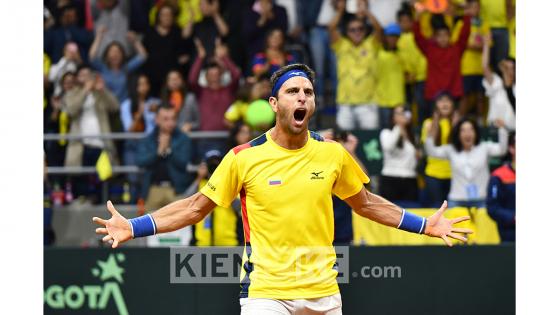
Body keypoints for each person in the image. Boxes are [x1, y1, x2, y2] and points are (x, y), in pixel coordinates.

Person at [94, 63, 472, 315]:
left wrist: (425, 225)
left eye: (308, 91)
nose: (302, 97)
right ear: (275, 103)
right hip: (265, 293)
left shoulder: (333, 154)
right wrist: (135, 226)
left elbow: (367, 203)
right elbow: (195, 207)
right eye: (293, 92)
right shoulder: (243, 157)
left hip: (324, 291)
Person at [64, 65, 120, 202]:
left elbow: (115, 107)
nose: (85, 77)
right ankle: (82, 201)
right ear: (78, 78)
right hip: (81, 144)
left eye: (87, 74)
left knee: (103, 176)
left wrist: (103, 91)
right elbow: (71, 109)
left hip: (101, 143)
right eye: (82, 74)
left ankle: (101, 201)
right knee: (81, 178)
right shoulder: (73, 92)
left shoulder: (99, 93)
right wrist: (85, 91)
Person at [424, 117, 508, 209]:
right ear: (458, 134)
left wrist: (502, 129)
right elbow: (431, 151)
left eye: (471, 129)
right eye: (463, 130)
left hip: (482, 199)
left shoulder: (484, 147)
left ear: (476, 132)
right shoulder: (451, 149)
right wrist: (429, 134)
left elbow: (502, 150)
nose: (467, 133)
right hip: (457, 200)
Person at [329, 0, 380, 130]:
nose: (357, 32)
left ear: (365, 30)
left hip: (368, 104)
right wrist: (341, 10)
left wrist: (366, 12)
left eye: (360, 29)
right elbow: (331, 28)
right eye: (352, 30)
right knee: (345, 145)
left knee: (370, 144)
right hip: (345, 104)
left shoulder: (371, 44)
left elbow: (379, 29)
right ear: (347, 32)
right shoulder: (342, 45)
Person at [413, 3, 472, 112]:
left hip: (453, 92)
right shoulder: (429, 49)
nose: (443, 38)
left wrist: (467, 15)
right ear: (435, 37)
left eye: (445, 35)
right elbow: (418, 37)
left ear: (450, 36)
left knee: (453, 125)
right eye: (439, 36)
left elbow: (465, 34)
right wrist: (417, 18)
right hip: (434, 94)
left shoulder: (457, 48)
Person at [136, 104, 193, 212]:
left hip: (176, 190)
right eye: (166, 119)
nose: (170, 123)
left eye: (173, 119)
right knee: (150, 227)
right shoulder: (148, 139)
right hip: (153, 190)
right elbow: (140, 161)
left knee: (180, 227)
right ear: (157, 119)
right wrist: (158, 152)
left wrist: (168, 150)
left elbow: (184, 163)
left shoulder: (183, 139)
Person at [120, 74, 161, 203]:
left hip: (149, 144)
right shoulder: (126, 105)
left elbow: (157, 126)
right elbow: (129, 129)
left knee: (147, 177)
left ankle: (144, 208)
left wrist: (156, 112)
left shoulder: (155, 103)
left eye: (146, 84)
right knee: (133, 178)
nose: (143, 87)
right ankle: (131, 209)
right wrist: (140, 114)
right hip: (132, 144)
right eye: (140, 84)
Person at [189, 38, 241, 133]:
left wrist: (223, 57)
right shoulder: (201, 91)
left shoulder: (229, 90)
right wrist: (200, 58)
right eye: (211, 75)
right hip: (204, 136)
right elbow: (192, 80)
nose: (214, 77)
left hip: (226, 135)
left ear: (221, 75)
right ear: (206, 76)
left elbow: (236, 75)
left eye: (216, 74)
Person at [88, 26, 148, 103]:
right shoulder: (102, 68)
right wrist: (99, 37)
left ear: (122, 55)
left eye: (118, 52)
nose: (115, 54)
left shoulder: (126, 68)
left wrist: (135, 41)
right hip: (106, 105)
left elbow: (143, 56)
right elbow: (91, 57)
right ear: (107, 56)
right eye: (112, 52)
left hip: (123, 106)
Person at [142, 4, 192, 94]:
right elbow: (144, 54)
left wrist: (191, 20)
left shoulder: (177, 31)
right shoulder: (150, 32)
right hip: (153, 76)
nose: (167, 17)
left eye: (169, 15)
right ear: (158, 17)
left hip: (172, 79)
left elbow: (184, 46)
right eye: (164, 15)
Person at [420, 91, 457, 207]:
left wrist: (456, 125)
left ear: (453, 104)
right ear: (435, 105)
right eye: (441, 101)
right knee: (436, 208)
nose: (445, 104)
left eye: (448, 100)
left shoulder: (459, 123)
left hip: (455, 174)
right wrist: (436, 122)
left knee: (454, 209)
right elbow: (428, 147)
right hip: (433, 173)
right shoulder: (428, 123)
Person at [456, 0, 490, 120]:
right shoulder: (461, 24)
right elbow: (458, 42)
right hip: (466, 68)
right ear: (468, 8)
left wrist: (473, 46)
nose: (474, 10)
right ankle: (460, 120)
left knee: (480, 96)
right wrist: (474, 46)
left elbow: (489, 42)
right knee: (465, 96)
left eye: (477, 7)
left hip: (481, 68)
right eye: (472, 7)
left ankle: (480, 121)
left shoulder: (484, 24)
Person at [396, 4, 429, 126]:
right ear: (398, 22)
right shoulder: (397, 38)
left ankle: (420, 128)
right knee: (407, 107)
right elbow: (400, 59)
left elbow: (420, 57)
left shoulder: (419, 34)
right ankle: (409, 128)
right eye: (402, 21)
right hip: (405, 79)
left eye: (408, 21)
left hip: (420, 77)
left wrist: (416, 73)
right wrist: (406, 72)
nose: (405, 24)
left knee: (421, 105)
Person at [379, 106, 419, 205]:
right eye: (398, 113)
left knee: (411, 213)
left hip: (410, 179)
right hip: (390, 178)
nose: (402, 116)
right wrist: (399, 126)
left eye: (404, 113)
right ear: (392, 117)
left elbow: (417, 157)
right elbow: (388, 147)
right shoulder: (386, 133)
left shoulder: (413, 136)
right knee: (389, 214)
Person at [482, 33, 515, 130]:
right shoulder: (496, 83)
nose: (509, 71)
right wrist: (486, 45)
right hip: (494, 131)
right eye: (506, 68)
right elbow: (485, 67)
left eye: (512, 68)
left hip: (513, 134)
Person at [486, 131, 515, 242]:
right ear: (512, 148)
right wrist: (513, 217)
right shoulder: (499, 176)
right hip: (509, 233)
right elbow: (493, 208)